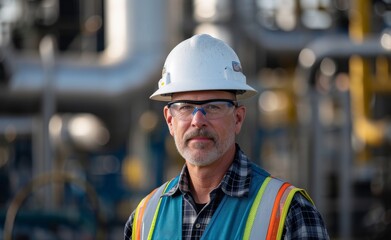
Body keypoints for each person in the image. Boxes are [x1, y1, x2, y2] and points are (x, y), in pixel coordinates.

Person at [124, 34, 329, 240]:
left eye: (213, 107)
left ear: (238, 118)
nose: (198, 120)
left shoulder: (290, 212)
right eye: (185, 107)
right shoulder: (144, 218)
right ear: (170, 120)